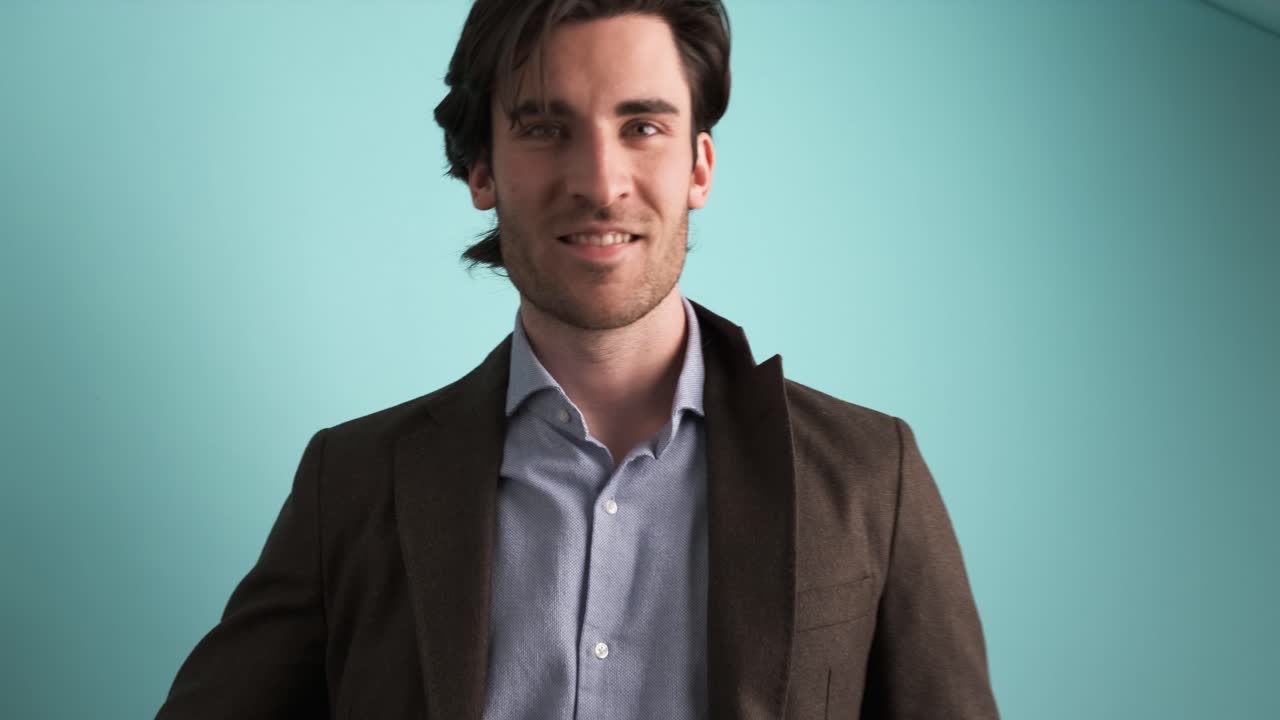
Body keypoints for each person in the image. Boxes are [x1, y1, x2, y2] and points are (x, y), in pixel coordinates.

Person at [156, 1, 1000, 718]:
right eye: (545, 128)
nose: (600, 181)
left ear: (699, 164)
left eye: (642, 126)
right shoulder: (352, 482)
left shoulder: (867, 478)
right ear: (481, 168)